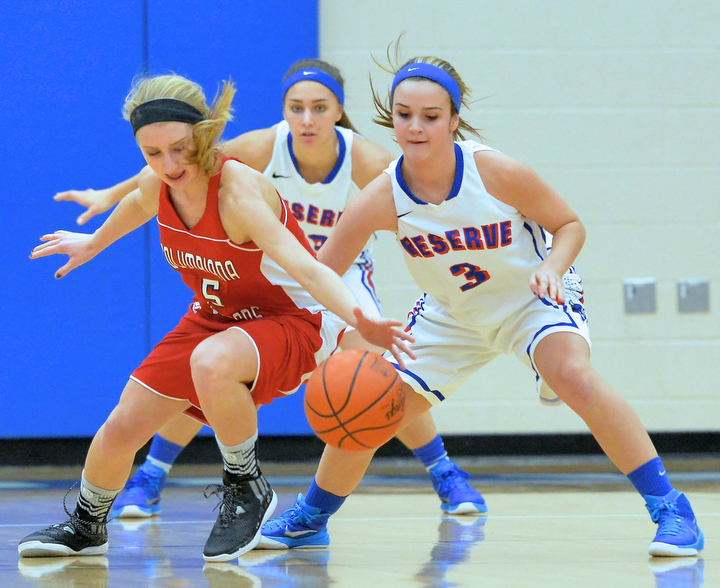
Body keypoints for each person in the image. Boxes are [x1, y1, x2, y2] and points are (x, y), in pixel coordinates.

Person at [255, 50, 704, 558]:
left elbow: (570, 225)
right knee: (370, 405)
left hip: (530, 298)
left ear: (454, 120)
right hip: (452, 314)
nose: (416, 127)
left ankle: (671, 508)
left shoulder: (492, 172)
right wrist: (337, 322)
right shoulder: (381, 196)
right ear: (391, 119)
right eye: (404, 116)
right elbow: (320, 272)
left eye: (430, 117)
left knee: (573, 377)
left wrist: (552, 270)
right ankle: (313, 517)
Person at [55, 59, 490, 521]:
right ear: (283, 111)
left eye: (319, 108)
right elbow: (167, 167)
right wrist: (107, 196)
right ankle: (151, 474)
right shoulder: (261, 148)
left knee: (376, 374)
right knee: (204, 371)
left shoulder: (366, 161)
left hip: (332, 276)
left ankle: (442, 470)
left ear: (337, 110)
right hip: (262, 272)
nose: (307, 119)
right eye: (295, 107)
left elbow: (422, 207)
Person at [19, 73, 413, 561]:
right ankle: (87, 522)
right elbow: (138, 202)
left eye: (179, 148)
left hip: (290, 319)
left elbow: (308, 268)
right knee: (122, 428)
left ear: (203, 134)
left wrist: (360, 320)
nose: (168, 164)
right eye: (152, 153)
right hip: (216, 318)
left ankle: (246, 485)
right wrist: (94, 242)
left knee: (210, 361)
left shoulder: (237, 193)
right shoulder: (156, 183)